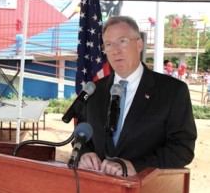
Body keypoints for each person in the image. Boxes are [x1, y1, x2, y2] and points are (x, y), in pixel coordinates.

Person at [78, 16, 197, 176]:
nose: (116, 50)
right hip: (99, 187)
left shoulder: (173, 91)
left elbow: (183, 148)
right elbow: (82, 137)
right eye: (109, 44)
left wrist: (137, 166)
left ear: (139, 44)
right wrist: (85, 153)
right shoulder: (94, 91)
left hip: (146, 188)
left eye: (122, 41)